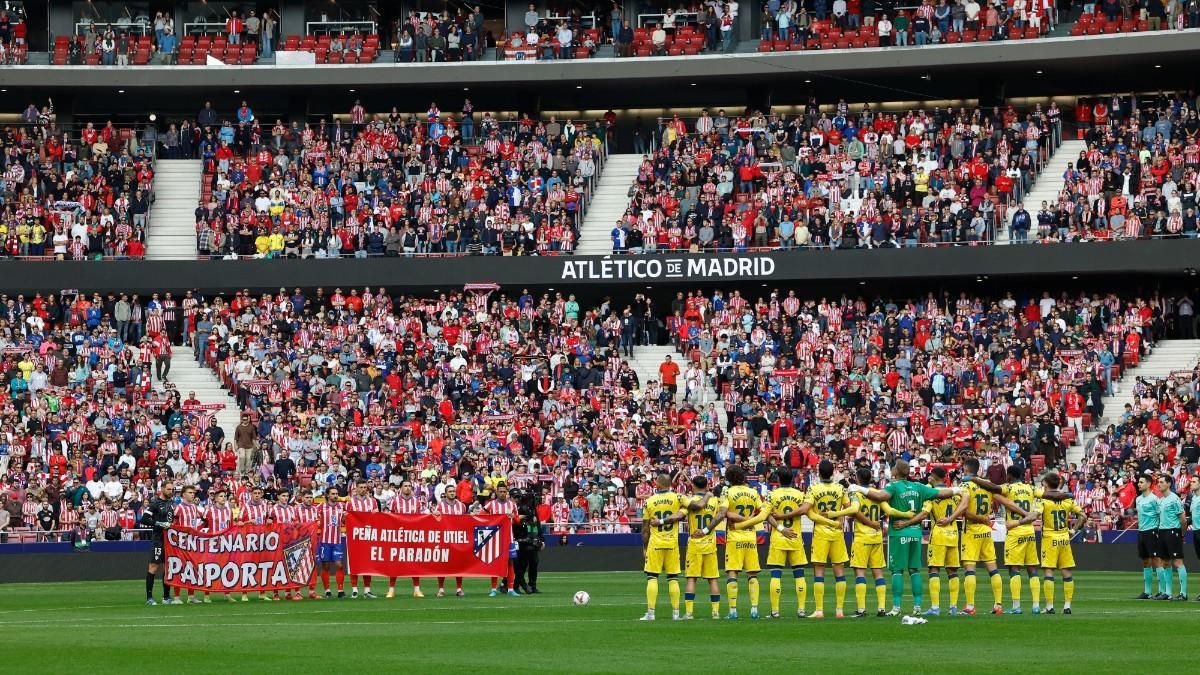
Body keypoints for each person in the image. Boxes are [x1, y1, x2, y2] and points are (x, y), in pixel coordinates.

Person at [851, 459, 951, 615]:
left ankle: (896, 607)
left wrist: (858, 488)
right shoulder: (919, 486)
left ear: (896, 471)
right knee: (914, 570)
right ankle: (917, 607)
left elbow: (880, 496)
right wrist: (957, 490)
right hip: (915, 533)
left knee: (897, 570)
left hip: (898, 532)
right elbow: (941, 493)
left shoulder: (893, 486)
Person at [971, 466, 1043, 614]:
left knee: (1014, 568)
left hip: (1015, 531)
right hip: (1029, 531)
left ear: (1009, 476)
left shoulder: (1008, 488)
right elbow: (1045, 494)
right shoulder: (1030, 488)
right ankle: (1036, 606)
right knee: (1032, 569)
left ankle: (1016, 607)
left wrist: (974, 479)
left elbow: (993, 487)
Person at [847, 467, 916, 617]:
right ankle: (882, 608)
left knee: (860, 573)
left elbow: (854, 511)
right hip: (877, 537)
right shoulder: (878, 494)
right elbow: (889, 511)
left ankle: (861, 609)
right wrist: (906, 514)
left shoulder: (856, 493)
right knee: (878, 573)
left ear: (857, 479)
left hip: (862, 537)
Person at [1026, 472, 1083, 614]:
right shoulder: (1067, 499)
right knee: (1066, 571)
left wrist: (1020, 521)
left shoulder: (1043, 499)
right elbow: (1083, 516)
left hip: (1049, 538)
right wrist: (1073, 530)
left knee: (1048, 571)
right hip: (1064, 538)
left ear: (1045, 483)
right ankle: (1067, 606)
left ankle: (1050, 606)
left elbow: (1035, 515)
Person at [763, 467, 815, 619]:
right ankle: (801, 610)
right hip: (795, 538)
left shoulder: (771, 495)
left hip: (778, 538)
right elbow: (805, 510)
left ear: (779, 479)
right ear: (792, 479)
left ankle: (775, 611)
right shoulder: (800, 494)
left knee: (776, 575)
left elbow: (767, 515)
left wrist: (780, 528)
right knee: (799, 575)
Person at [803, 460, 851, 619]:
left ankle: (819, 610)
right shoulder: (840, 488)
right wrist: (838, 519)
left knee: (819, 571)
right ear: (833, 472)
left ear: (819, 473)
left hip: (820, 533)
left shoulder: (813, 488)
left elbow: (808, 511)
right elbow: (849, 508)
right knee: (839, 570)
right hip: (837, 532)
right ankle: (839, 610)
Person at [722, 464, 768, 619]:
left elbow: (726, 513)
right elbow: (763, 512)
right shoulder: (753, 492)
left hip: (734, 537)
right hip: (750, 537)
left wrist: (741, 520)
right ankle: (754, 610)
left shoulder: (727, 492)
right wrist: (749, 520)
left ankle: (733, 611)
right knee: (752, 574)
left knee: (732, 572)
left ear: (729, 478)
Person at [640, 471, 686, 620]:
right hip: (672, 543)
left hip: (655, 543)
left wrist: (644, 547)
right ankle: (676, 614)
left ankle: (651, 614)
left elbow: (645, 528)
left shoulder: (649, 501)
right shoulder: (677, 498)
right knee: (673, 578)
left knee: (652, 577)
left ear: (657, 484)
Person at [923, 467, 964, 615]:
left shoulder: (931, 494)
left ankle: (935, 607)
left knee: (934, 569)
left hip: (938, 535)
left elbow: (924, 513)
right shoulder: (955, 494)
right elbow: (963, 509)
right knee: (952, 570)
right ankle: (953, 607)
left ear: (933, 478)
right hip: (953, 534)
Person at [683, 476, 725, 619]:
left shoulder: (690, 501)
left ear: (693, 486)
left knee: (691, 579)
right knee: (712, 579)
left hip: (694, 544)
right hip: (710, 544)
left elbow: (681, 514)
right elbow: (720, 515)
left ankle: (689, 613)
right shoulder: (714, 501)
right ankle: (715, 612)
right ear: (707, 486)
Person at [387, 479, 426, 597]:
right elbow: (389, 517)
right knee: (395, 562)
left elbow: (422, 517)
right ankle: (391, 589)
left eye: (409, 486)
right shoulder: (394, 501)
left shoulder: (417, 502)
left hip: (413, 536)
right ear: (401, 488)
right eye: (405, 486)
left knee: (415, 562)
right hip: (398, 536)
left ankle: (417, 589)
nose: (407, 488)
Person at [140, 482, 176, 605]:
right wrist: (158, 523)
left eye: (172, 489)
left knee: (168, 568)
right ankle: (149, 598)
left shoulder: (172, 503)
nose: (171, 491)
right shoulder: (155, 503)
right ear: (162, 489)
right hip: (158, 540)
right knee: (153, 567)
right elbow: (144, 519)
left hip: (169, 540)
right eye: (168, 489)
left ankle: (166, 597)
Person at [484, 481, 521, 597]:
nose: (502, 493)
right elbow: (481, 516)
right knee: (494, 563)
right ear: (496, 492)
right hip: (495, 538)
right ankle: (493, 589)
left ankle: (510, 589)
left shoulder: (512, 505)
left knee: (510, 562)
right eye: (500, 492)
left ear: (507, 492)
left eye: (504, 492)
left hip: (509, 538)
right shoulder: (491, 504)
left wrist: (513, 516)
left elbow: (517, 521)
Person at [1155, 474, 1188, 601]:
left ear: (1169, 484)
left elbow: (1183, 519)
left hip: (1173, 532)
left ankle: (1183, 593)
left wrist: (1181, 534)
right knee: (1165, 563)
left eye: (1162, 482)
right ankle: (1168, 593)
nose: (1159, 484)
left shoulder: (1174, 499)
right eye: (1158, 482)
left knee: (1177, 562)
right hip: (1162, 532)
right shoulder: (1161, 500)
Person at [1134, 473, 1165, 600]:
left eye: (1141, 482)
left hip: (1152, 531)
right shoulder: (1138, 499)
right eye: (1139, 482)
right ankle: (1147, 592)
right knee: (1146, 561)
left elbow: (1161, 515)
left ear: (1148, 483)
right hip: (1141, 532)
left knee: (1157, 560)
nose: (1139, 484)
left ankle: (1162, 591)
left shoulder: (1154, 499)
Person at [347, 483, 379, 599]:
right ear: (356, 489)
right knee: (354, 563)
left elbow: (377, 517)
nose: (363, 489)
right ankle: (354, 589)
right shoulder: (350, 502)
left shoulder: (373, 501)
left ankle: (367, 590)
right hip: (354, 537)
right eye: (361, 487)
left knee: (367, 563)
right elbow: (346, 518)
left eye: (365, 487)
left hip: (368, 536)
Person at [434, 490, 467, 597]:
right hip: (444, 538)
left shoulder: (461, 506)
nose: (452, 493)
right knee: (442, 564)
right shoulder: (440, 506)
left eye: (453, 491)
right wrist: (436, 515)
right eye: (450, 491)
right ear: (446, 493)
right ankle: (441, 589)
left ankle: (459, 589)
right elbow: (435, 519)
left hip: (458, 538)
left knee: (458, 564)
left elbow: (466, 520)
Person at [318, 486, 347, 598]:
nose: (335, 496)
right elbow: (314, 517)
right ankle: (327, 591)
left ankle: (340, 590)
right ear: (327, 495)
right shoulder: (321, 506)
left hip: (337, 541)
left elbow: (344, 520)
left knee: (339, 565)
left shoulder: (341, 506)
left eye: (336, 494)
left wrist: (345, 518)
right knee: (326, 566)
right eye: (333, 494)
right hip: (324, 541)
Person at [514, 490, 543, 594]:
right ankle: (515, 586)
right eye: (533, 499)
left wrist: (541, 538)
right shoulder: (520, 508)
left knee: (534, 562)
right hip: (522, 539)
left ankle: (532, 585)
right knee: (522, 565)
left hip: (532, 539)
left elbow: (537, 524)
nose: (535, 502)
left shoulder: (532, 510)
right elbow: (516, 521)